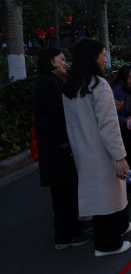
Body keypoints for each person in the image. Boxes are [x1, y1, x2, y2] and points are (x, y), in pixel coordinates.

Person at [62, 39, 131, 257]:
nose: (105, 58)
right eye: (103, 54)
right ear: (93, 57)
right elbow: (109, 125)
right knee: (107, 196)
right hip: (103, 151)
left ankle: (116, 231)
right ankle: (107, 244)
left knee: (99, 195)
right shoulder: (98, 85)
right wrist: (119, 156)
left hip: (83, 150)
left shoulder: (71, 86)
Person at [33, 48, 91, 250]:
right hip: (59, 150)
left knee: (65, 193)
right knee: (63, 195)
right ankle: (66, 237)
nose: (65, 63)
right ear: (51, 61)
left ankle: (69, 231)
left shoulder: (49, 82)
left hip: (58, 149)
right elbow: (59, 117)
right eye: (62, 59)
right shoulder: (48, 84)